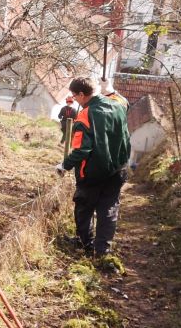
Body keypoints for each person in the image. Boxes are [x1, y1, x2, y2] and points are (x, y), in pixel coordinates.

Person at [54, 76, 130, 258]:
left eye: (75, 95)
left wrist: (64, 165)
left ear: (81, 94)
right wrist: (110, 89)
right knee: (109, 209)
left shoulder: (85, 115)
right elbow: (124, 102)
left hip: (92, 172)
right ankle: (102, 251)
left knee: (84, 208)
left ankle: (85, 245)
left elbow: (82, 149)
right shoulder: (118, 105)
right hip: (118, 169)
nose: (75, 99)